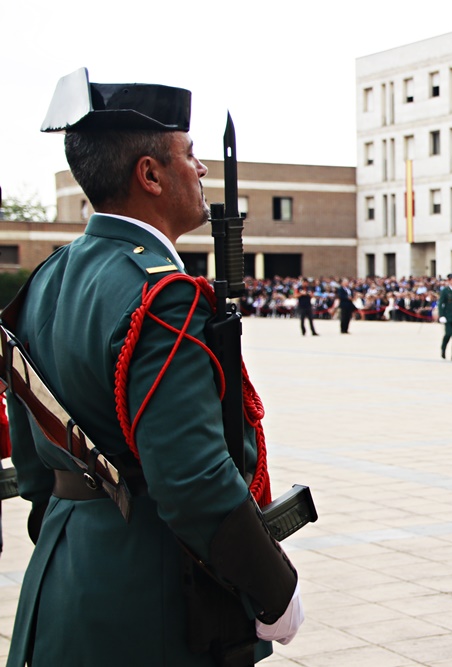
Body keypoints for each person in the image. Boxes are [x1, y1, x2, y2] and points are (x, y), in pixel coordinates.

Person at [5, 69, 302, 667]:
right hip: (150, 600)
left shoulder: (45, 281)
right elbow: (194, 483)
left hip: (63, 578)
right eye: (189, 155)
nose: (201, 170)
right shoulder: (162, 296)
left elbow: (35, 466)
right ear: (149, 174)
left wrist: (80, 535)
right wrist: (276, 591)